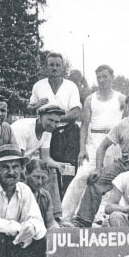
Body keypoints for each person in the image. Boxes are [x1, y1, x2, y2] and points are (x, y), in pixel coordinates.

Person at [71, 93, 129, 227]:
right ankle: (83, 221)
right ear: (126, 108)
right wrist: (98, 168)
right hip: (125, 163)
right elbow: (102, 147)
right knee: (95, 181)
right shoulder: (121, 125)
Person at [61, 64, 126, 220]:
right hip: (94, 143)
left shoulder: (121, 98)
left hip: (114, 144)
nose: (102, 80)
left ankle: (119, 218)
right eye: (99, 77)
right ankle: (64, 216)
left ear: (112, 77)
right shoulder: (90, 99)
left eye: (105, 76)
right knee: (82, 176)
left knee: (118, 181)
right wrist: (82, 149)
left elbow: (126, 126)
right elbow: (84, 126)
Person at [28, 52, 82, 203]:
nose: (54, 68)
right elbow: (31, 107)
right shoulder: (38, 86)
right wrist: (37, 107)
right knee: (48, 169)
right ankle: (50, 206)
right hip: (46, 133)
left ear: (62, 67)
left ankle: (67, 207)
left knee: (68, 170)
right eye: (51, 65)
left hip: (67, 133)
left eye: (58, 65)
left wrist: (54, 119)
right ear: (46, 67)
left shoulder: (71, 86)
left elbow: (76, 112)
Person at [11, 104, 70, 221]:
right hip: (13, 162)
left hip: (24, 162)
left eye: (56, 122)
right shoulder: (24, 128)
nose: (53, 125)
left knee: (50, 170)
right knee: (35, 175)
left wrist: (59, 165)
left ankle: (54, 216)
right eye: (50, 120)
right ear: (40, 116)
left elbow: (45, 158)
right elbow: (17, 159)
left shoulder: (48, 131)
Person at [25, 159, 59, 230]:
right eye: (36, 177)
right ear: (26, 174)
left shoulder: (45, 195)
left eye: (43, 178)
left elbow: (50, 222)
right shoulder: (19, 193)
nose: (40, 182)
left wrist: (57, 230)